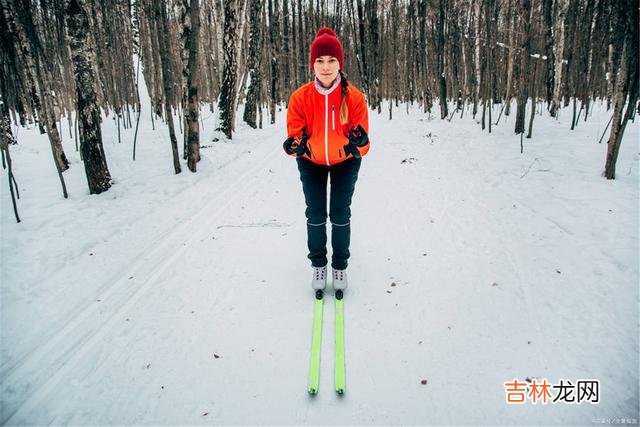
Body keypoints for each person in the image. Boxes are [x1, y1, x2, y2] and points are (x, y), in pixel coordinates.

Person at [284, 27, 370, 292]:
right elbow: (293, 139)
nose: (325, 66)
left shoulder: (354, 97)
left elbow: (365, 146)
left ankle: (340, 268)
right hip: (312, 163)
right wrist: (294, 146)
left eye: (331, 60)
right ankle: (319, 265)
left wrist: (359, 142)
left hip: (345, 162)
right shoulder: (300, 97)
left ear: (340, 64)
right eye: (320, 60)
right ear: (312, 64)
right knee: (316, 213)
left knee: (340, 213)